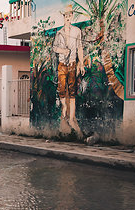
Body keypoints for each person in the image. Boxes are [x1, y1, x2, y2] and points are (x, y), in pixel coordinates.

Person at [53, 4, 85, 134]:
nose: (68, 17)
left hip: (72, 63)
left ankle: (71, 118)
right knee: (61, 89)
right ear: (63, 17)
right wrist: (63, 51)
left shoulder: (77, 31)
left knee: (72, 91)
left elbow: (80, 47)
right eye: (66, 15)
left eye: (69, 15)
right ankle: (64, 107)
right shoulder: (59, 32)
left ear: (72, 16)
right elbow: (55, 48)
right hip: (62, 64)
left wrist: (81, 63)